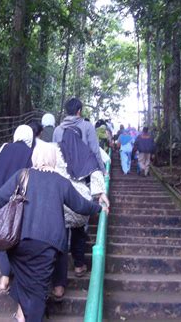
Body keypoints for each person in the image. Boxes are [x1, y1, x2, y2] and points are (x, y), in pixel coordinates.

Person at [0, 143, 109, 322]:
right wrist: (99, 208)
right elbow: (80, 206)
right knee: (38, 289)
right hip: (47, 244)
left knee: (24, 281)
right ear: (54, 159)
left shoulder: (22, 176)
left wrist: (10, 217)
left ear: (35, 157)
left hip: (18, 241)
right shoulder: (60, 182)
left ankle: (21, 317)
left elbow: (0, 196)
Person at [50, 126, 110, 300]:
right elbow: (96, 172)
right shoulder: (85, 151)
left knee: (60, 242)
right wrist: (100, 194)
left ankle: (59, 286)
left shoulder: (55, 149)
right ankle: (78, 265)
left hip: (59, 201)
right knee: (79, 233)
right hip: (80, 202)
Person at [0, 125, 34, 293]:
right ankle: (13, 274)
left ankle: (4, 278)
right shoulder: (29, 152)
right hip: (14, 199)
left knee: (1, 233)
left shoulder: (4, 147)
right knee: (15, 233)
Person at [52, 98, 106, 174]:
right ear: (79, 111)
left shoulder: (57, 130)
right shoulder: (88, 126)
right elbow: (95, 151)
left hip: (63, 173)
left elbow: (54, 154)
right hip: (84, 173)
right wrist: (103, 170)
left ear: (67, 111)